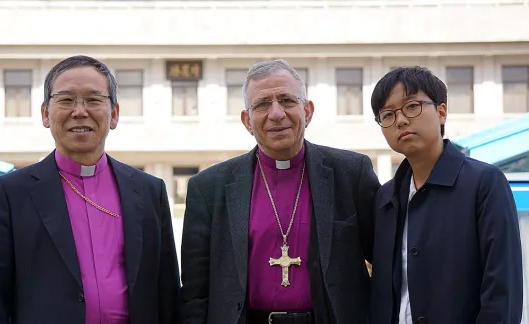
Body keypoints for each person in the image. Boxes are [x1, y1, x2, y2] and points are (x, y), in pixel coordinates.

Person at [0, 55, 180, 324]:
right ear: (46, 114)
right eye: (66, 100)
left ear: (114, 114)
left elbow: (167, 292)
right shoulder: (11, 194)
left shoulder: (149, 191)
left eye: (93, 100)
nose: (80, 111)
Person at [178, 59, 381, 324]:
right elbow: (195, 294)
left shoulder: (351, 174)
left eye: (286, 100)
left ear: (307, 111)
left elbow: (388, 261)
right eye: (262, 104)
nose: (276, 113)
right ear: (247, 120)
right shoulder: (208, 188)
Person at [369, 66, 523, 324]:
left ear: (442, 112)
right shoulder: (386, 198)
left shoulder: (484, 183)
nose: (401, 120)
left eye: (411, 106)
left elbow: (502, 291)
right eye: (387, 114)